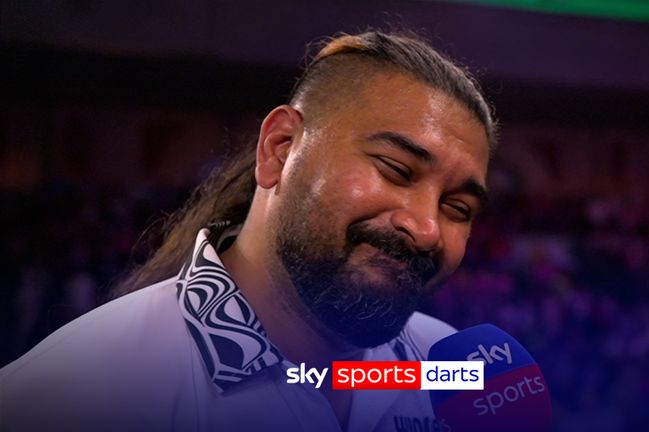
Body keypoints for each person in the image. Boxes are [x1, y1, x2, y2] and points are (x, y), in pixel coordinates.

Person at [0, 30, 496, 432]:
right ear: (280, 149)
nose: (427, 229)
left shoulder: (453, 370)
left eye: (458, 208)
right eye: (395, 169)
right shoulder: (75, 392)